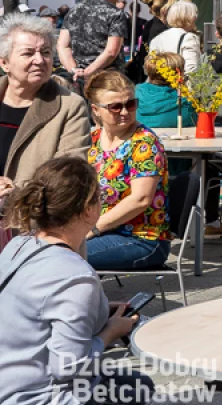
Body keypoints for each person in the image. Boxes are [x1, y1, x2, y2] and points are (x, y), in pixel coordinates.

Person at [0, 156, 155, 405]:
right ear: (88, 210)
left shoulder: (18, 245)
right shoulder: (75, 277)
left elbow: (39, 314)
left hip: (8, 381)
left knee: (134, 383)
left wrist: (98, 311)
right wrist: (111, 332)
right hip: (36, 396)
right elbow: (68, 368)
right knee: (138, 388)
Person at [136, 52, 222, 238]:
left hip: (143, 163)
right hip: (182, 168)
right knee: (211, 168)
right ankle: (212, 222)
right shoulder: (184, 101)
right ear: (177, 73)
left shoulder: (136, 94)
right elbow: (198, 129)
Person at [83, 71, 171, 271]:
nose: (125, 112)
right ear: (96, 110)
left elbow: (140, 200)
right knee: (45, 249)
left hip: (142, 239)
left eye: (130, 104)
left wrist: (92, 229)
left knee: (64, 257)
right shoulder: (93, 140)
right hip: (103, 232)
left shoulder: (144, 142)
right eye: (115, 107)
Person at [0, 14, 90, 186]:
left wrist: (15, 193)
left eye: (46, 52)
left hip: (31, 209)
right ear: (5, 63)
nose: (39, 60)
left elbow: (68, 175)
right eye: (28, 53)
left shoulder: (69, 106)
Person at [58, 0, 126, 88]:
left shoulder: (74, 10)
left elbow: (62, 45)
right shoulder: (115, 13)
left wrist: (74, 70)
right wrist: (89, 72)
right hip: (107, 81)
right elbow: (111, 51)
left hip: (78, 81)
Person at [148, 0, 203, 74]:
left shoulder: (157, 39)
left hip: (160, 82)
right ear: (189, 18)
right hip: (179, 83)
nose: (196, 18)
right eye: (194, 15)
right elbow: (191, 71)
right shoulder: (189, 38)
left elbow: (150, 67)